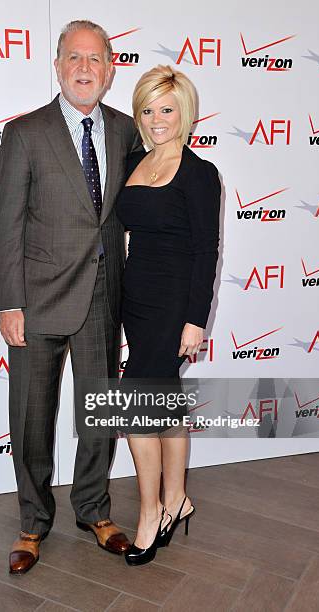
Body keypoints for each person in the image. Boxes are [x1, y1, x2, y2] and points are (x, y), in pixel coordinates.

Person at [0, 20, 142, 575]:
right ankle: (32, 522)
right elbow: (5, 224)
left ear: (110, 68)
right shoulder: (25, 132)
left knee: (98, 414)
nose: (84, 68)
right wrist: (8, 302)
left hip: (104, 295)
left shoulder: (127, 131)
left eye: (95, 59)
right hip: (37, 299)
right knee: (32, 416)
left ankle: (94, 510)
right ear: (57, 66)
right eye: (74, 58)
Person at [115, 65, 221, 565]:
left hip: (174, 303)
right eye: (148, 109)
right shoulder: (135, 160)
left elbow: (207, 250)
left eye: (166, 109)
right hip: (135, 300)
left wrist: (195, 319)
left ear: (185, 113)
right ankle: (178, 499)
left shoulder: (199, 173)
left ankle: (150, 512)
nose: (156, 119)